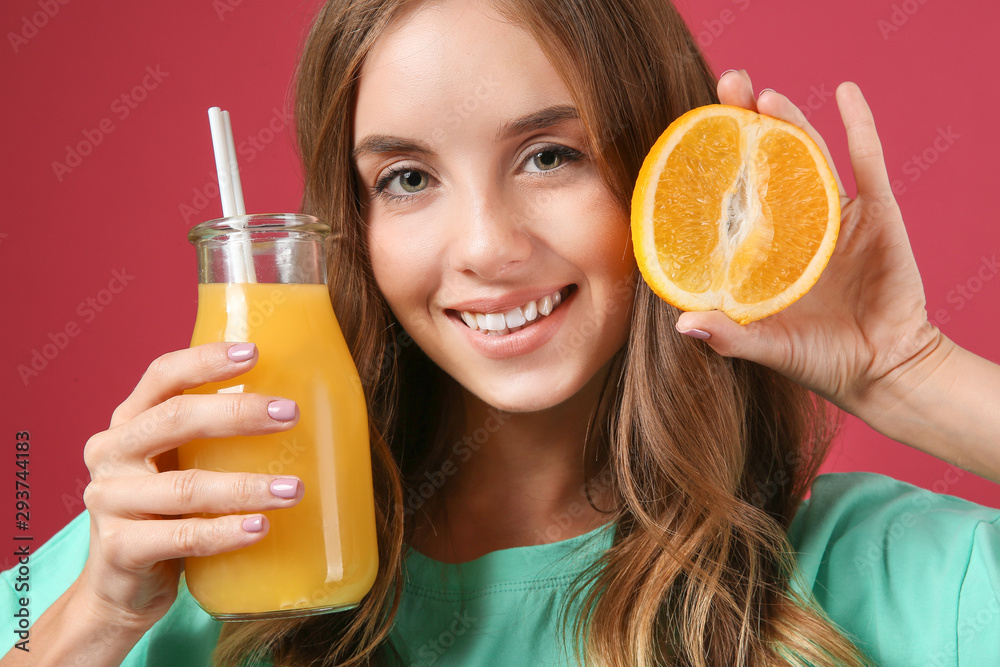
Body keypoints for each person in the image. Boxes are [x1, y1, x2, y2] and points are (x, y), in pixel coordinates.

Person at [4, 0, 999, 665]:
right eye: (407, 177)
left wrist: (913, 374)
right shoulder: (180, 545)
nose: (484, 246)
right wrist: (97, 619)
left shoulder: (869, 574)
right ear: (356, 225)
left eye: (549, 156)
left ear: (665, 175)